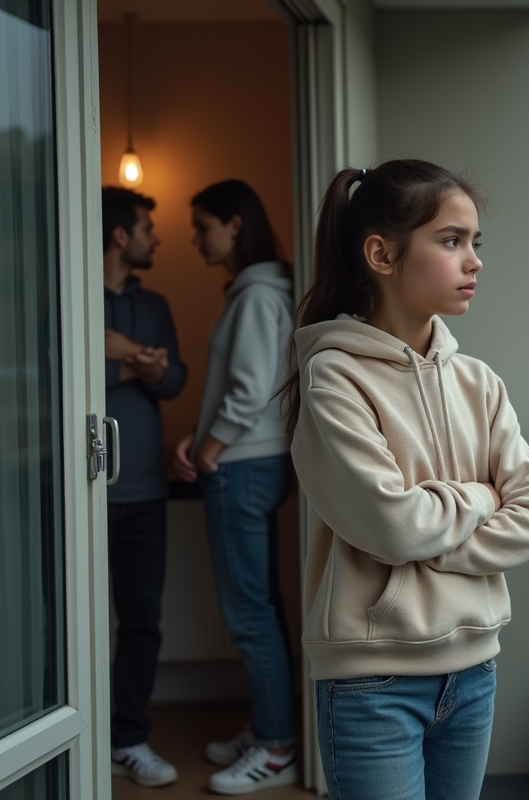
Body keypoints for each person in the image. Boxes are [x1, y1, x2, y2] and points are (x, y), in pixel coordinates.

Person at [283, 160, 529, 800]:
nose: (474, 261)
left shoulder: (480, 383)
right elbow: (396, 527)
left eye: (474, 243)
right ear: (382, 253)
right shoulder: (336, 379)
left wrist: (427, 529)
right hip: (371, 682)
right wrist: (485, 496)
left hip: (474, 669)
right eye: (451, 240)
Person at [171, 180, 297, 794]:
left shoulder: (254, 298)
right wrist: (201, 441)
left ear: (235, 226)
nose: (196, 239)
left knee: (249, 615)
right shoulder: (263, 291)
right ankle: (269, 727)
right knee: (260, 607)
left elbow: (248, 391)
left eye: (203, 226)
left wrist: (208, 453)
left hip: (242, 467)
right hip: (255, 463)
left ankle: (276, 749)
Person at [101, 186, 188, 788]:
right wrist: (136, 365)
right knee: (64, 622)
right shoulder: (67, 293)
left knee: (142, 622)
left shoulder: (155, 303)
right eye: (147, 229)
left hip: (147, 493)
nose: (156, 239)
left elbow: (174, 378)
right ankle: (71, 740)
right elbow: (66, 372)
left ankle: (126, 739)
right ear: (119, 235)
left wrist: (128, 356)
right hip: (79, 495)